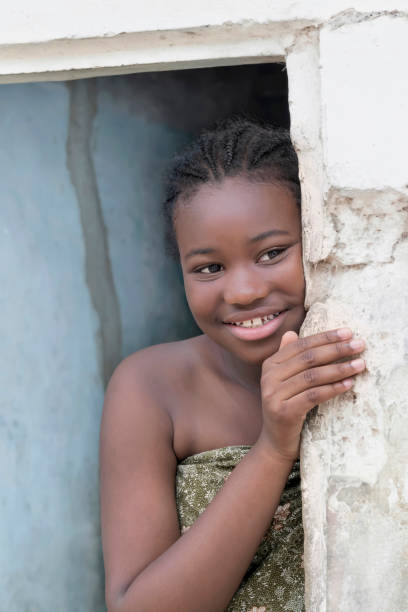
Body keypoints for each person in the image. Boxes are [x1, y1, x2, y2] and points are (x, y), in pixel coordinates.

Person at [99, 118, 366, 612]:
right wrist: (272, 447)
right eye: (209, 268)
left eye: (271, 253)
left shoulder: (369, 359)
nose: (243, 292)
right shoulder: (150, 387)